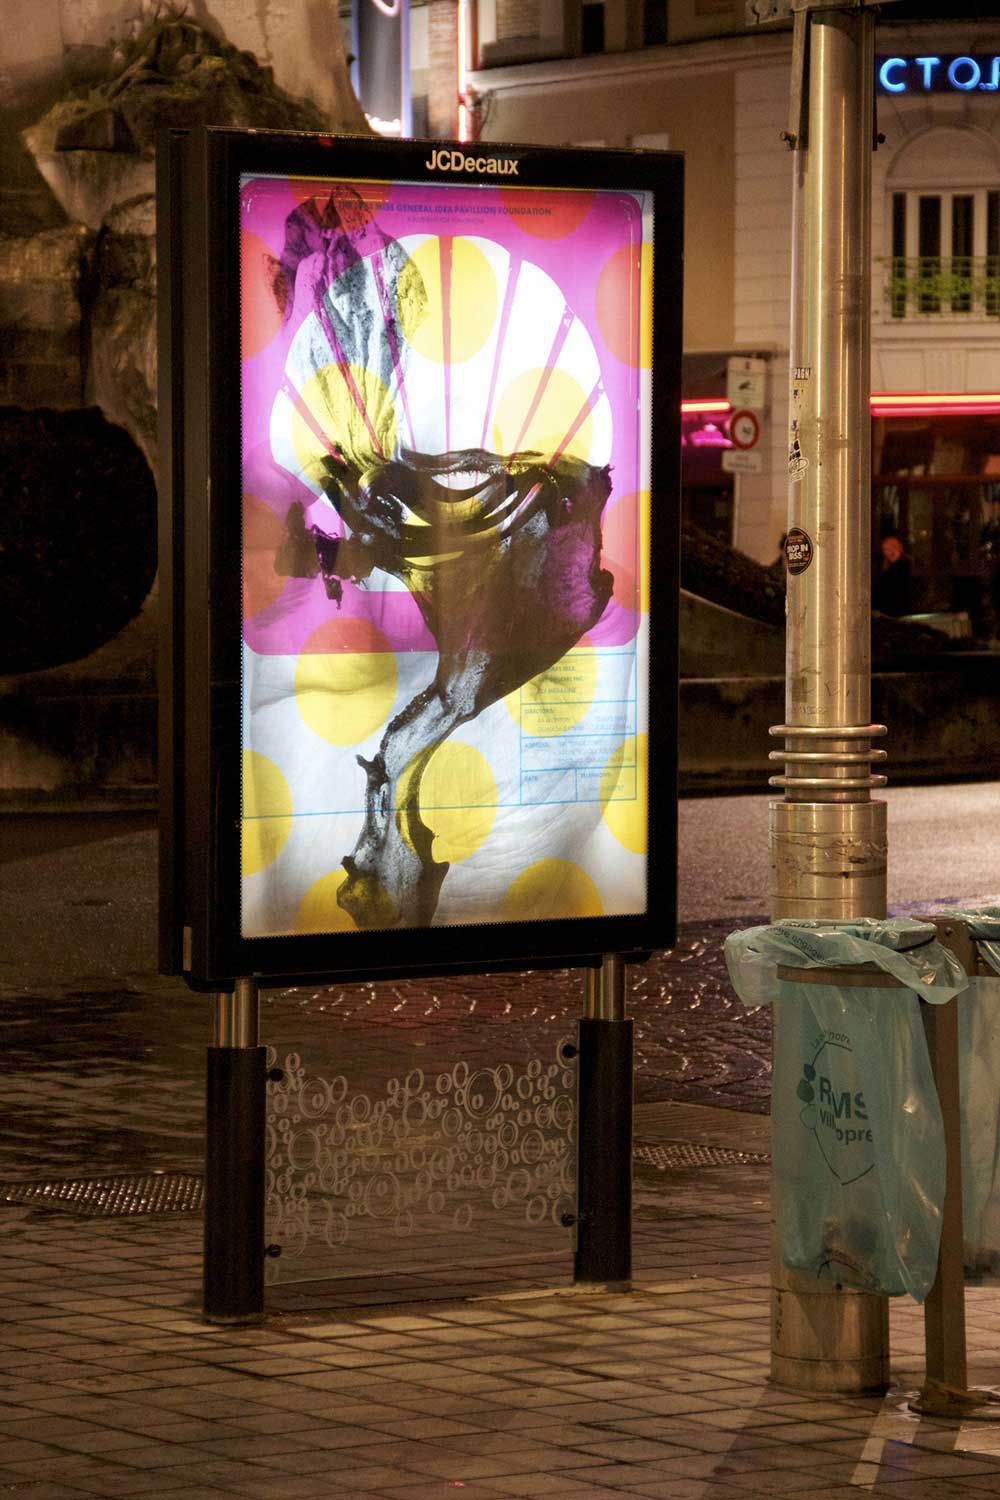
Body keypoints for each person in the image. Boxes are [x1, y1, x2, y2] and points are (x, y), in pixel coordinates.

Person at [874, 532, 914, 616]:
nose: (885, 552)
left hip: (899, 610)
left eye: (887, 549)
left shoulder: (905, 565)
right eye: (884, 549)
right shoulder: (883, 564)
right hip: (886, 610)